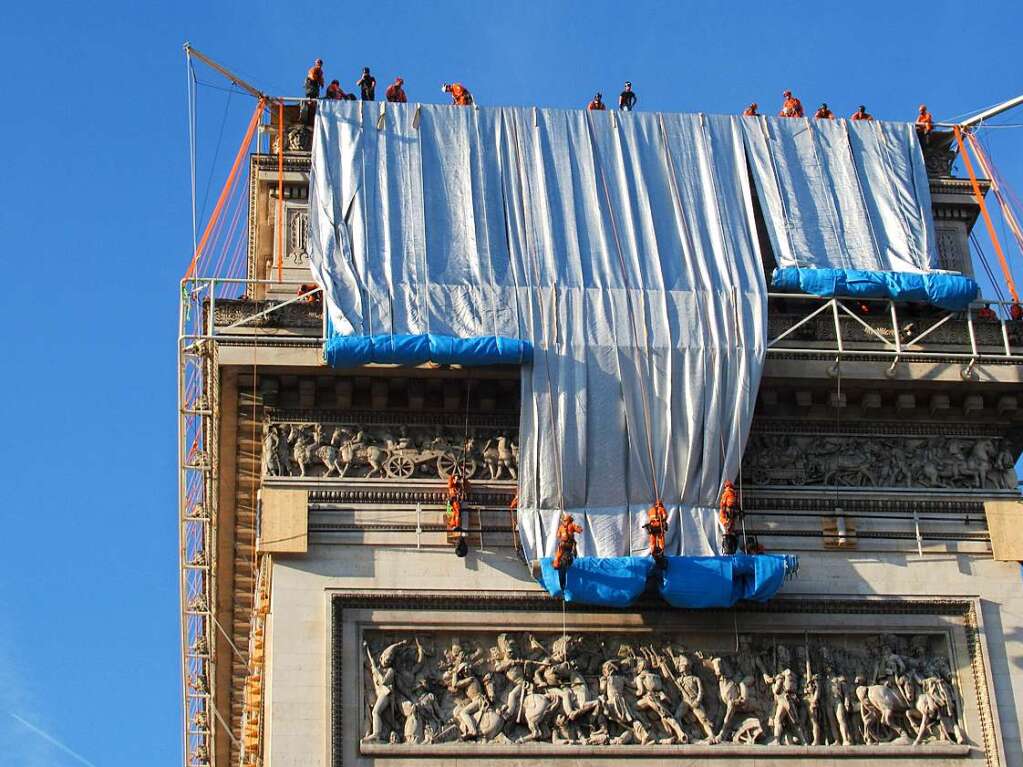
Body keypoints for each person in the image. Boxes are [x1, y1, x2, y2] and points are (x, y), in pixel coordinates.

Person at [300, 58, 325, 124]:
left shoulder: (320, 71)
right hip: (311, 85)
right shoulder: (313, 69)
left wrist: (321, 81)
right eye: (318, 62)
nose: (319, 64)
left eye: (320, 62)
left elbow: (322, 82)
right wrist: (318, 79)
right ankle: (307, 109)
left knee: (314, 99)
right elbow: (312, 77)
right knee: (310, 98)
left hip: (315, 87)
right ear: (316, 63)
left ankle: (313, 111)